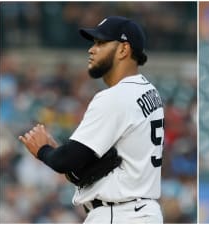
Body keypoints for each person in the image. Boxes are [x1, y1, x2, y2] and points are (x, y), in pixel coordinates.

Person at [19, 16, 165, 224]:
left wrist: (44, 151)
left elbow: (66, 161)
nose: (91, 49)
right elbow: (93, 165)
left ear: (123, 50)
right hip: (142, 211)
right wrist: (67, 156)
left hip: (119, 213)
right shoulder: (150, 92)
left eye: (101, 43)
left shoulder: (116, 97)